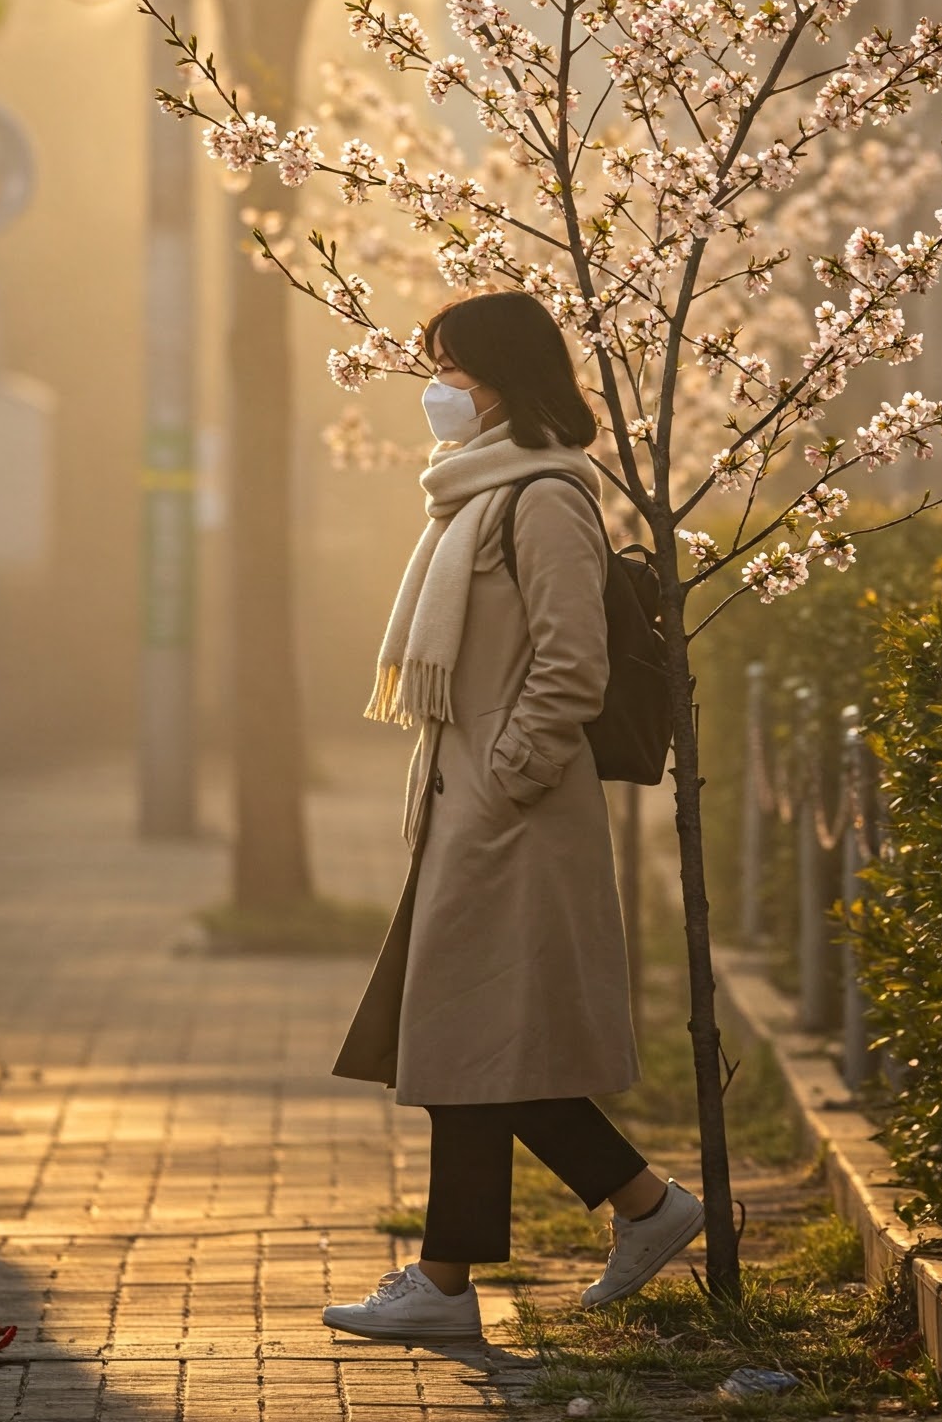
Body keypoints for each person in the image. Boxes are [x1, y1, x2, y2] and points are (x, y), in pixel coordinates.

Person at [322, 291, 702, 1341]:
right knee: (469, 1041)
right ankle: (630, 1208)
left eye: (451, 366)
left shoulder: (541, 496)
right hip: (475, 806)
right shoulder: (473, 492)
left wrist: (507, 772)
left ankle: (473, 1274)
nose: (438, 388)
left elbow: (571, 662)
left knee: (471, 1040)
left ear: (500, 374)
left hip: (510, 812)